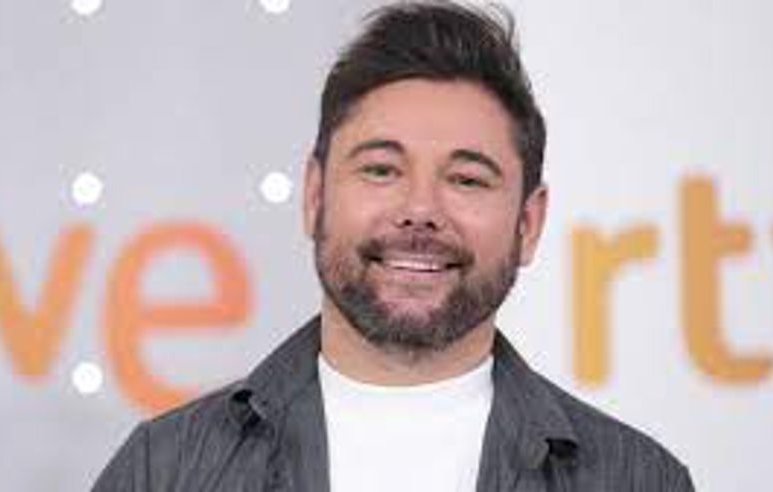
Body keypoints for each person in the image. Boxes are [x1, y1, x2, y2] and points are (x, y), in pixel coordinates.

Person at [92, 1, 694, 491]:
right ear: (314, 196)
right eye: (381, 170)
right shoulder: (163, 471)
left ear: (528, 224)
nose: (420, 209)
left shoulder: (637, 480)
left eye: (466, 179)